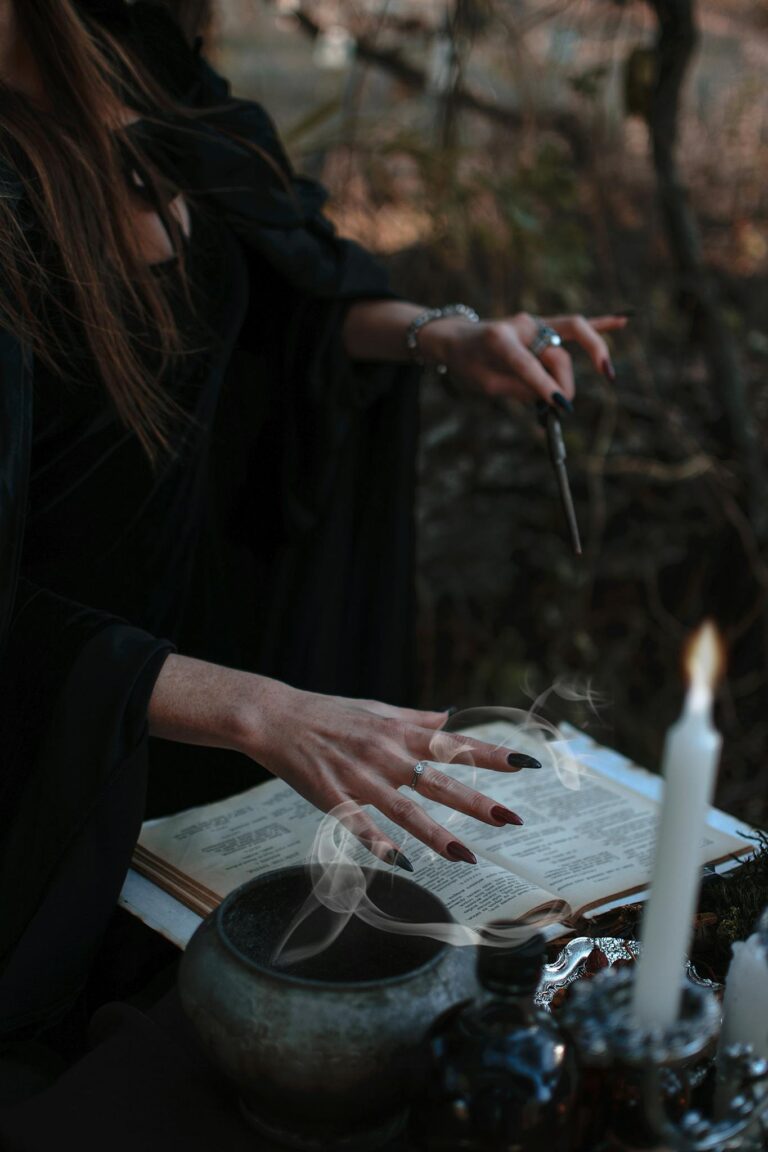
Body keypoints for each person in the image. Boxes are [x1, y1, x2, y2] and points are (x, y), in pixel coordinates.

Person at [0, 0, 627, 1033]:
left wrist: (444, 339)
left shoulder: (144, 60)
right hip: (52, 761)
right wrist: (261, 711)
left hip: (222, 699)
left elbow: (276, 314)